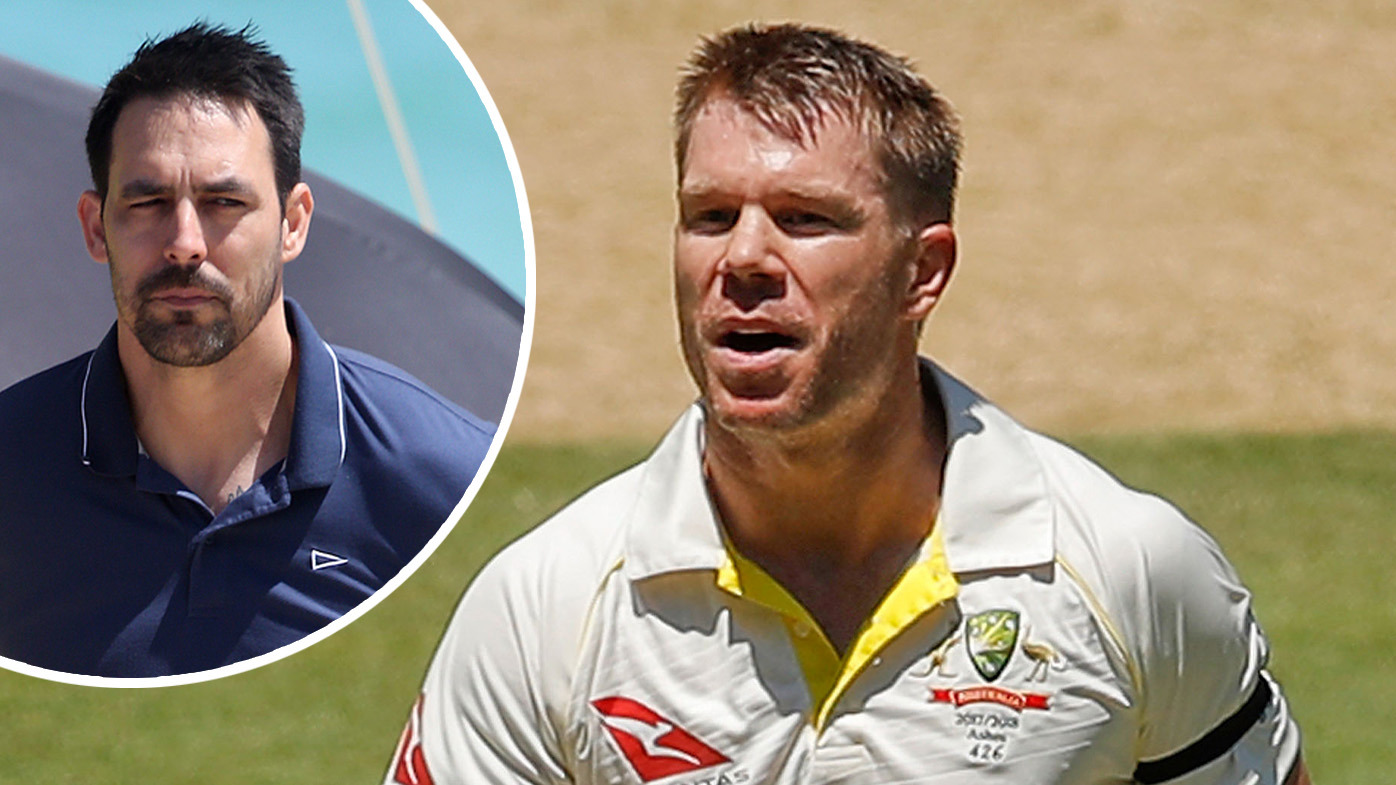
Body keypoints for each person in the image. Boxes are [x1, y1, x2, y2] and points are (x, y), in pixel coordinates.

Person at [386, 23, 1308, 784]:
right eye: (711, 216)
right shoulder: (548, 606)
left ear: (923, 270)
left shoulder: (1129, 574)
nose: (743, 258)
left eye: (805, 219)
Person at [0, 23, 496, 678]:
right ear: (96, 227)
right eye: (148, 202)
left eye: (224, 201)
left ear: (293, 223)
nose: (185, 243)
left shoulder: (445, 476)